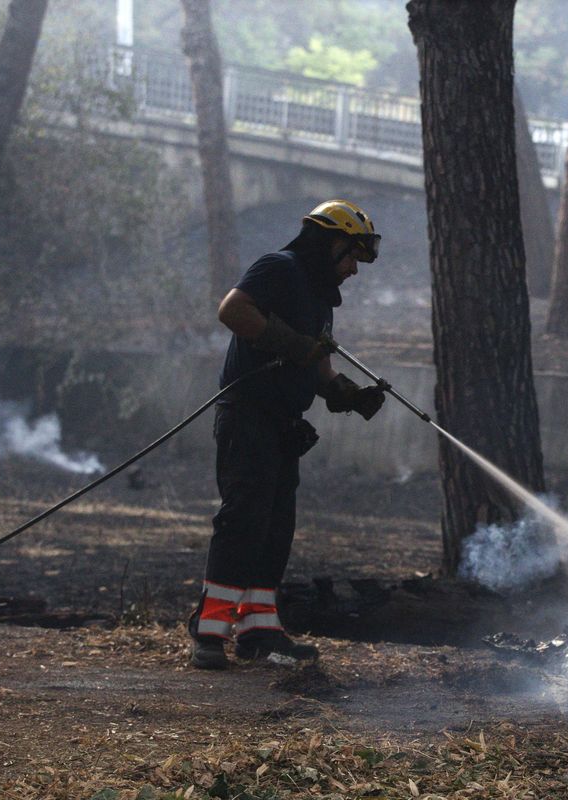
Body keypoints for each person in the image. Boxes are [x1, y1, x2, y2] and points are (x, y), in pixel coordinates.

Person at [188, 199, 387, 670]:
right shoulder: (279, 267)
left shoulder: (318, 293)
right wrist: (291, 344)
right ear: (329, 242)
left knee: (275, 530)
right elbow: (232, 310)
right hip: (248, 415)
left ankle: (259, 630)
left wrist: (345, 392)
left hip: (283, 425)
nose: (354, 270)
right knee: (243, 523)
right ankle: (210, 630)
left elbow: (316, 358)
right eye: (352, 256)